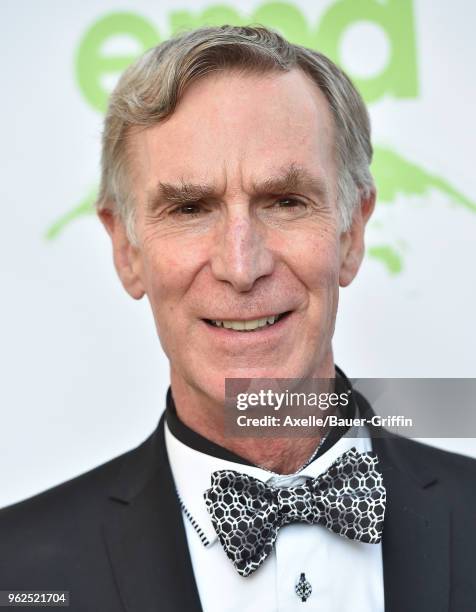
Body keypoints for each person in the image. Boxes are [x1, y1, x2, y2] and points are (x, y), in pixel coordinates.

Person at [1, 25, 475, 612]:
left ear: (351, 232)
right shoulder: (13, 572)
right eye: (190, 208)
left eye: (285, 201)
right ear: (127, 250)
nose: (240, 265)